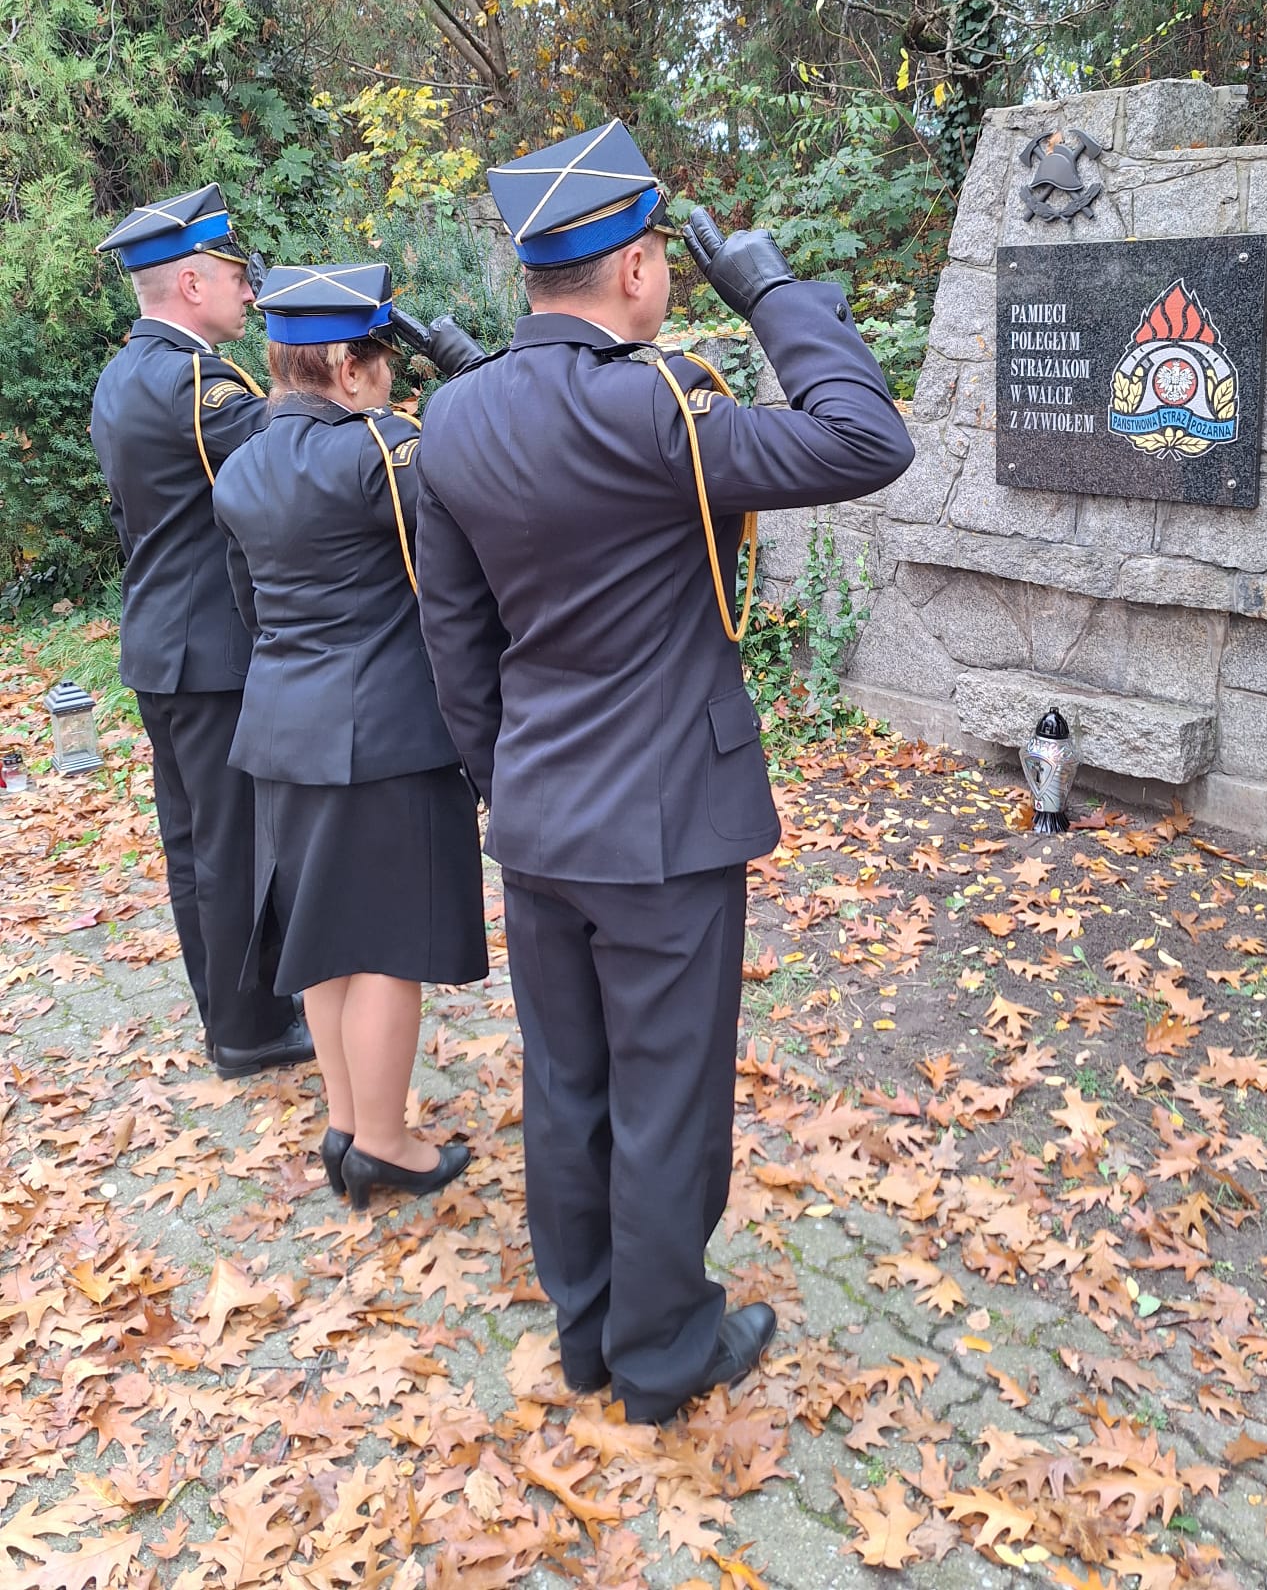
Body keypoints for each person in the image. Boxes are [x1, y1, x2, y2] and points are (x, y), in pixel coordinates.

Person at [414, 120, 914, 1423]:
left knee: (566, 1084)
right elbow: (867, 440)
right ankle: (661, 1353)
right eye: (668, 264)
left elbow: (455, 644)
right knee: (666, 1097)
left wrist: (511, 780)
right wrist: (772, 292)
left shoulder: (451, 417)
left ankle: (588, 1330)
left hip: (537, 813)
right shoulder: (659, 409)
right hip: (665, 821)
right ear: (636, 268)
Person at [211, 263, 488, 1212]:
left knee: (325, 937)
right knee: (387, 945)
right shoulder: (383, 453)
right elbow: (473, 543)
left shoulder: (241, 466)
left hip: (281, 728)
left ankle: (345, 1122)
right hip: (383, 734)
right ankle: (385, 1142)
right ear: (345, 365)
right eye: (380, 362)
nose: (388, 379)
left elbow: (250, 606)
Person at [90, 186, 311, 1080]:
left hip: (157, 641)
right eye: (234, 274)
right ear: (190, 284)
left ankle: (226, 1012)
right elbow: (292, 461)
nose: (248, 291)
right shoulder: (197, 385)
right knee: (235, 847)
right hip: (213, 651)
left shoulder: (120, 376)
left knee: (193, 847)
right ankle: (252, 1027)